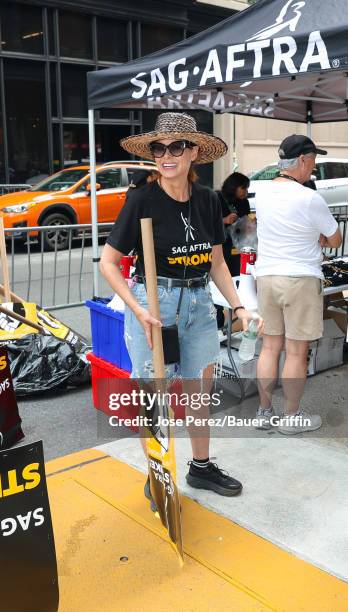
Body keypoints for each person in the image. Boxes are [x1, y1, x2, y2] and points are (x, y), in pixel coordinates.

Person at [100, 112, 260, 503]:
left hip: (200, 305)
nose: (165, 155)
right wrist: (136, 309)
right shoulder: (142, 198)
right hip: (154, 304)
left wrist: (238, 307)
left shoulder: (208, 200)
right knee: (154, 398)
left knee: (197, 395)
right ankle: (157, 474)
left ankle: (201, 468)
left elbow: (218, 263)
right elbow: (108, 262)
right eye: (159, 147)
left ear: (194, 152)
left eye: (175, 147)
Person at [254, 134, 341, 434]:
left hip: (266, 276)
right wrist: (317, 237)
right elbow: (335, 239)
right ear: (302, 160)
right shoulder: (309, 197)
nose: (313, 169)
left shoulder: (262, 194)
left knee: (269, 347)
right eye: (313, 161)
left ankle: (264, 413)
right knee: (295, 352)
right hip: (300, 278)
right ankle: (291, 417)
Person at [215, 172, 252, 328]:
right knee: (218, 283)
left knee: (239, 281)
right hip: (220, 248)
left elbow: (247, 222)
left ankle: (238, 316)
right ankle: (218, 318)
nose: (245, 192)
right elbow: (205, 221)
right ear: (234, 187)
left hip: (238, 248)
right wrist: (224, 220)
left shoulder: (244, 202)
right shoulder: (217, 198)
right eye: (243, 188)